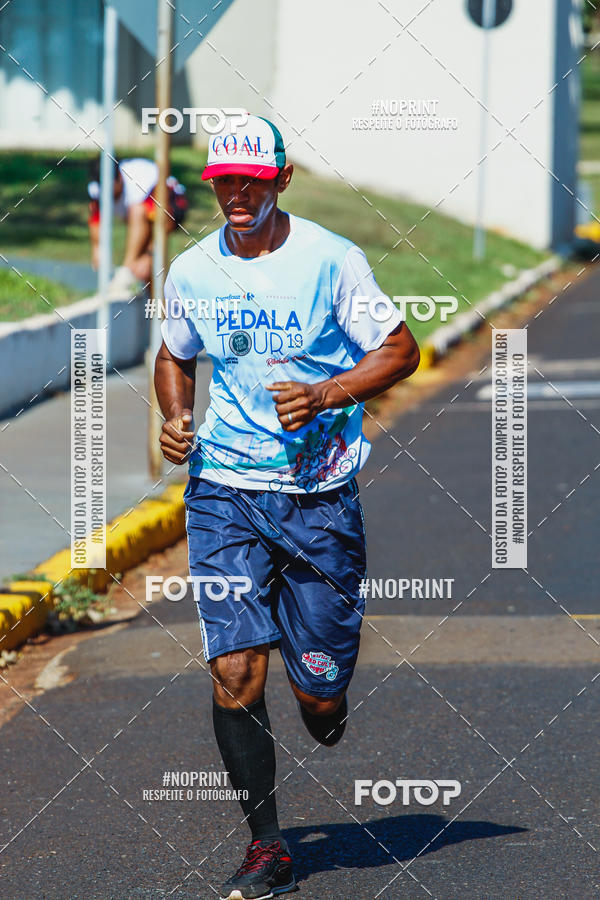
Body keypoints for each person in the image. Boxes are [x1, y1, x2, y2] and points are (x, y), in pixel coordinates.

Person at [154, 114, 419, 899]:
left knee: (319, 694)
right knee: (234, 667)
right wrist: (174, 417)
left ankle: (325, 695)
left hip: (319, 496)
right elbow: (175, 351)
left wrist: (329, 391)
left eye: (252, 180)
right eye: (225, 182)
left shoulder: (331, 261)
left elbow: (402, 349)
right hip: (225, 492)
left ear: (280, 180)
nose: (238, 194)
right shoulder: (195, 269)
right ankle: (267, 845)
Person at [87, 156, 187, 295]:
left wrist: (149, 254)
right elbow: (96, 218)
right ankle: (150, 307)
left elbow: (165, 223)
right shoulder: (97, 189)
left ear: (119, 179)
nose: (107, 194)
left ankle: (126, 272)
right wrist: (97, 249)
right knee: (142, 271)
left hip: (171, 205)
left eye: (111, 188)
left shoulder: (141, 182)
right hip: (143, 216)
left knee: (147, 264)